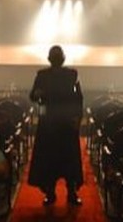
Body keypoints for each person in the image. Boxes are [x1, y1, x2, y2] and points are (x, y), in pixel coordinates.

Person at [27, 45, 85, 206]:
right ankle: (58, 193)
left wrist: (77, 118)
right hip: (53, 123)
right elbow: (33, 96)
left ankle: (64, 193)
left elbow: (78, 98)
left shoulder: (71, 74)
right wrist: (78, 118)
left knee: (61, 159)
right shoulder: (45, 75)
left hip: (58, 123)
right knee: (56, 159)